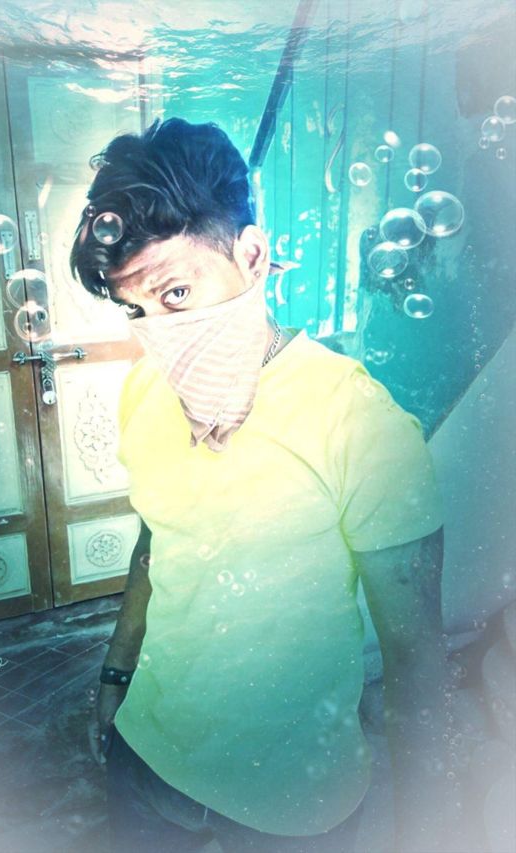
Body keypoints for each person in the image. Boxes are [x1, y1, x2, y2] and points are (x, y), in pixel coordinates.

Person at [69, 118, 459, 853]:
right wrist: (115, 674)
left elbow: (417, 662)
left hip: (296, 800)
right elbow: (158, 539)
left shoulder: (361, 422)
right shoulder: (143, 392)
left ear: (251, 256)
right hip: (147, 759)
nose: (159, 332)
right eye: (135, 309)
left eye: (176, 291)